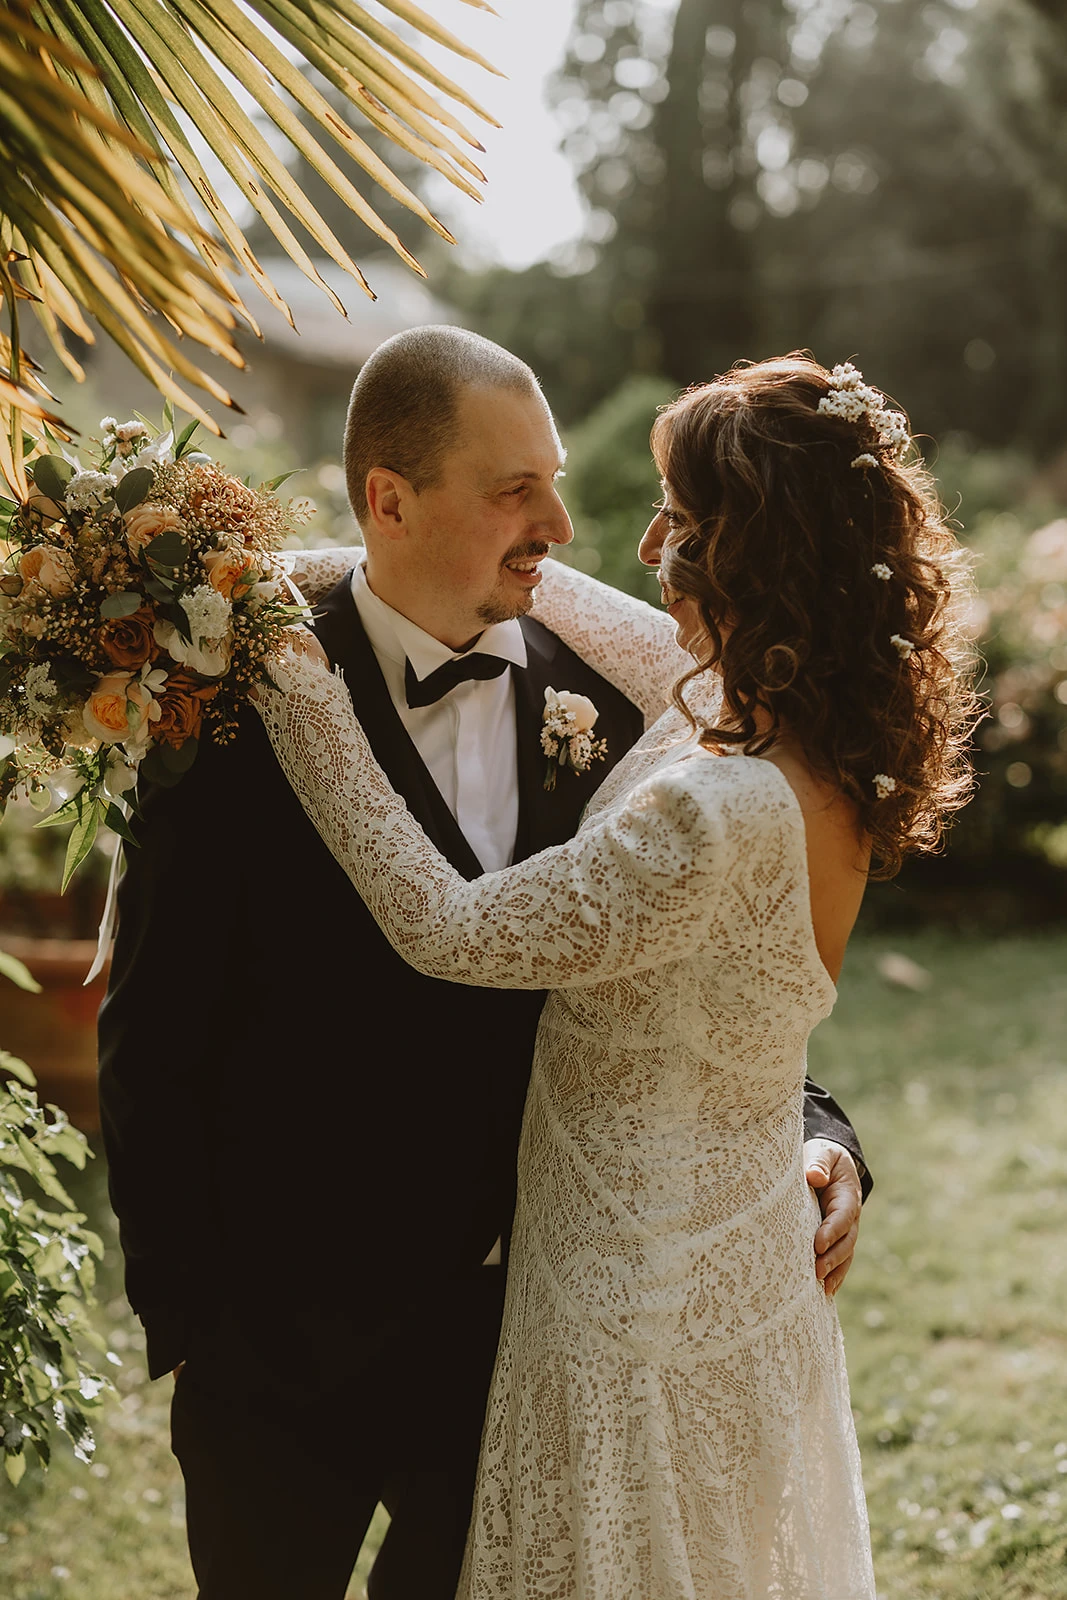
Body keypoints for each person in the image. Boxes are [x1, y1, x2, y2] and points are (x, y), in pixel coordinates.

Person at [97, 330, 869, 1600]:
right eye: (515, 489)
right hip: (280, 1352)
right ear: (388, 501)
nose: (562, 524)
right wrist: (191, 1323)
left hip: (526, 1339)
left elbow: (708, 978)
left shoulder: (643, 709)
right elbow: (156, 1024)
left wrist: (815, 1128)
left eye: (553, 480)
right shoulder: (228, 700)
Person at [258, 352, 977, 1598]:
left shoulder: (720, 804)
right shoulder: (773, 722)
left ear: (753, 557)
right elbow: (565, 604)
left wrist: (284, 672)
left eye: (682, 524)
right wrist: (329, 569)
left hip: (628, 1306)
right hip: (728, 1270)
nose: (646, 542)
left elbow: (451, 929)